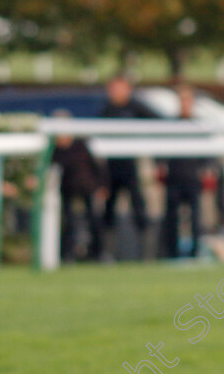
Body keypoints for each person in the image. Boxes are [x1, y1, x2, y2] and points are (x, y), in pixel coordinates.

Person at [98, 74, 159, 237]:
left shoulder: (135, 107)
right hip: (111, 167)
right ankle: (104, 251)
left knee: (139, 207)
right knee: (108, 210)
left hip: (130, 165)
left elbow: (158, 122)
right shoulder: (106, 110)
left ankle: (145, 250)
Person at [157, 84, 209, 258]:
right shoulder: (172, 125)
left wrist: (206, 169)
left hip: (192, 178)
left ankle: (194, 253)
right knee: (171, 218)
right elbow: (161, 149)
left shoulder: (198, 125)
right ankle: (171, 253)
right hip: (174, 177)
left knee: (195, 219)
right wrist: (160, 165)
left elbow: (208, 151)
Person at [51, 110, 107, 262]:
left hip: (87, 189)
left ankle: (98, 253)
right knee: (68, 223)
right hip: (67, 191)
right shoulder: (54, 150)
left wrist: (101, 186)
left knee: (94, 221)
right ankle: (67, 255)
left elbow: (98, 167)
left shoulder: (81, 145)